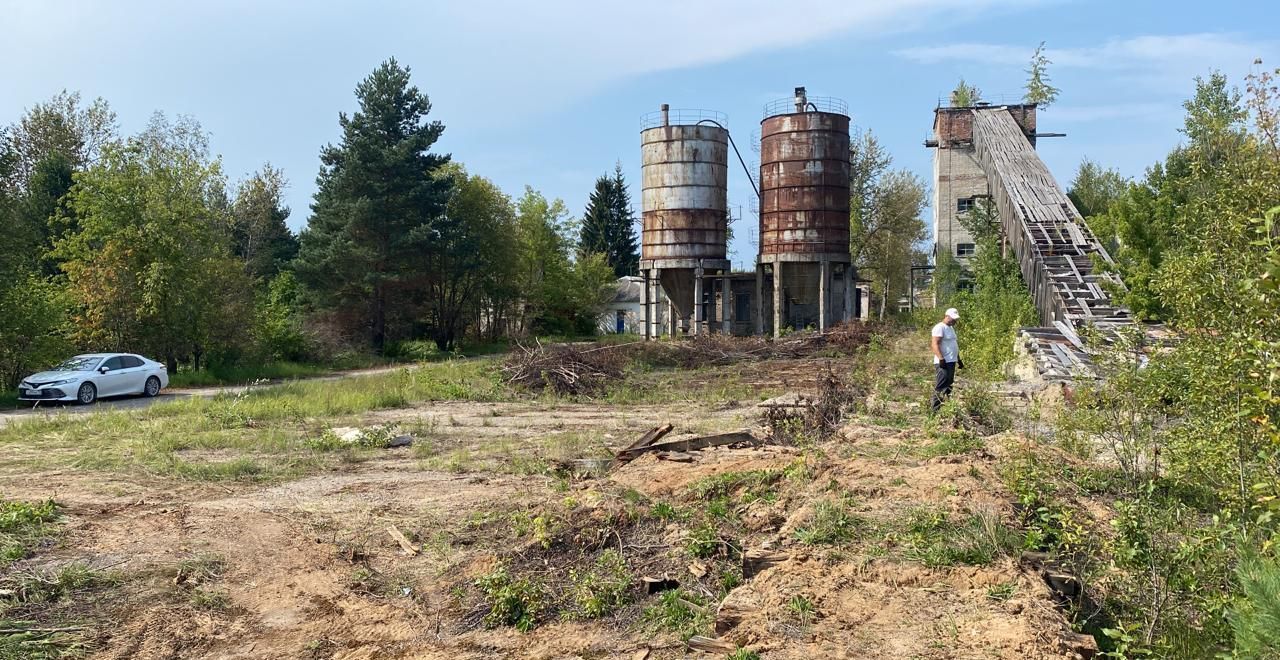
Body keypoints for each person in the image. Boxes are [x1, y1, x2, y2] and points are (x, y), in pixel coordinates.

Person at [930, 308, 963, 412]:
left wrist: (958, 359)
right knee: (941, 385)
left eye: (955, 319)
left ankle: (947, 409)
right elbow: (934, 344)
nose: (954, 321)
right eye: (953, 319)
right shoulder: (940, 327)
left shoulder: (951, 328)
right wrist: (941, 359)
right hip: (943, 362)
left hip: (951, 361)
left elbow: (953, 345)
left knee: (949, 385)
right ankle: (935, 411)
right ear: (947, 316)